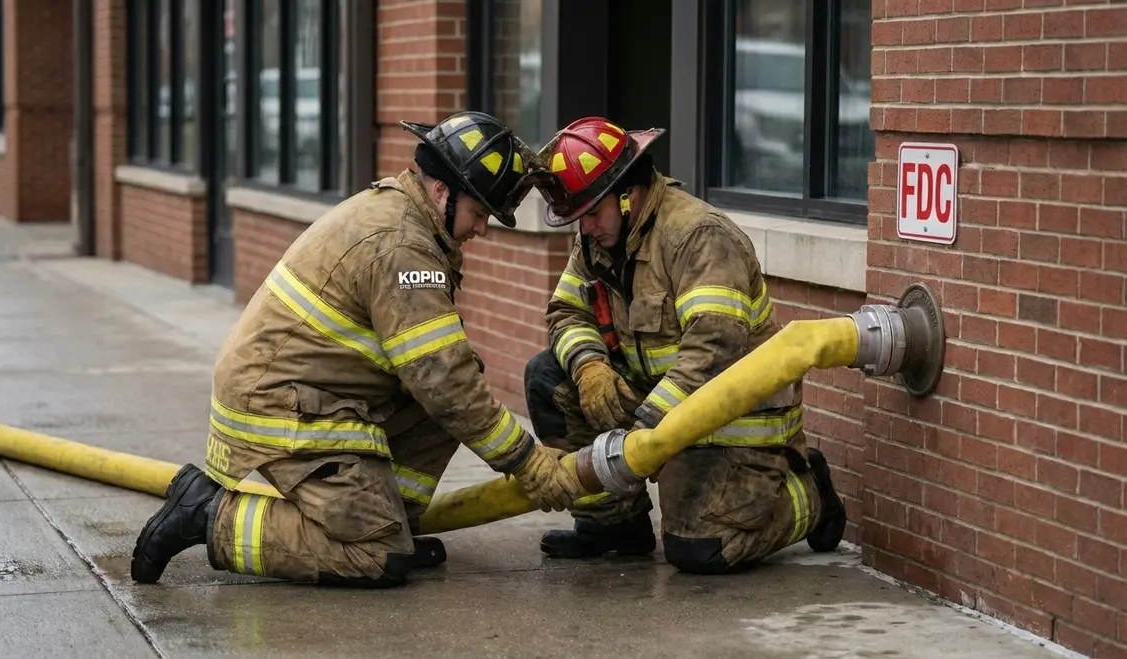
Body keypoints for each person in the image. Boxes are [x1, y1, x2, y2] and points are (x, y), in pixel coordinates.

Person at [130, 111, 583, 588]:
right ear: (443, 192)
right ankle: (207, 515)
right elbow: (445, 382)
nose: (483, 229)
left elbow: (447, 378)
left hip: (310, 393)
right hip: (282, 405)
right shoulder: (402, 246)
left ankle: (392, 523)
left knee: (455, 387)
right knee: (378, 557)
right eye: (480, 213)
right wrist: (527, 461)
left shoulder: (404, 216)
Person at [522, 116, 847, 574]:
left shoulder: (699, 237)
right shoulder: (600, 239)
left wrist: (646, 434)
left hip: (730, 418)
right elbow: (565, 311)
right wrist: (589, 365)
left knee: (699, 550)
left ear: (627, 194)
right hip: (659, 408)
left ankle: (808, 492)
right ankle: (614, 522)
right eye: (579, 218)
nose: (586, 227)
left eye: (592, 213)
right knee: (547, 376)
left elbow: (712, 351)